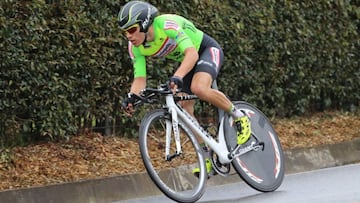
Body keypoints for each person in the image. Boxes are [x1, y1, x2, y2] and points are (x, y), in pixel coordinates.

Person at [118, 0, 251, 177]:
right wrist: (132, 97)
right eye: (125, 32)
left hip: (205, 50)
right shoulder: (136, 48)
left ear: (144, 24)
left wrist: (178, 76)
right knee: (184, 110)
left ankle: (240, 117)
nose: (128, 36)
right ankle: (207, 157)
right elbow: (140, 78)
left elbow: (192, 54)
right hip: (188, 61)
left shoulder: (166, 26)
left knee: (199, 88)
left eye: (131, 29)